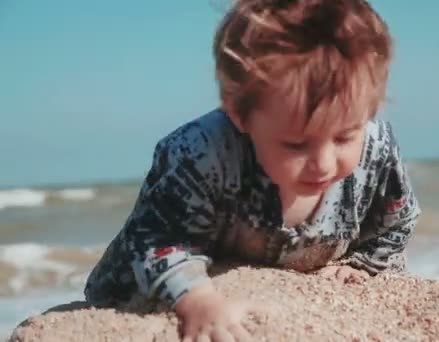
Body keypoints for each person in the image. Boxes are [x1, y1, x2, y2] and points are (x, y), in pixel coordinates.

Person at [84, 0, 421, 340]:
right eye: (295, 144)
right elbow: (157, 239)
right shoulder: (202, 153)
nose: (323, 162)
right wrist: (197, 299)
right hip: (139, 286)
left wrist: (364, 263)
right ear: (239, 115)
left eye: (344, 136)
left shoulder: (375, 147)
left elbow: (398, 219)